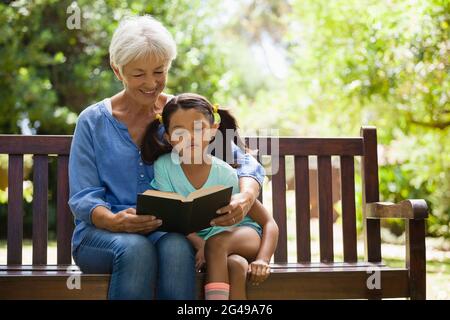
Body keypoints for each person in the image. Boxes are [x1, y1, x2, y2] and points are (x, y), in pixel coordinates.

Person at [68, 15, 265, 300]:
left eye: (159, 71)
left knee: (175, 247)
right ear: (117, 70)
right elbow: (84, 197)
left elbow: (245, 161)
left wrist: (245, 197)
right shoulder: (93, 121)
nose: (151, 83)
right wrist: (114, 221)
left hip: (165, 233)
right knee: (136, 249)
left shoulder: (179, 114)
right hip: (101, 235)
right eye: (138, 74)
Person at [142, 93, 278, 300]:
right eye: (180, 131)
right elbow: (173, 215)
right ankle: (237, 271)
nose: (190, 137)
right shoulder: (164, 167)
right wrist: (199, 243)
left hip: (245, 236)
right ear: (168, 137)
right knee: (235, 264)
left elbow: (268, 222)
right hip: (215, 247)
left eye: (198, 129)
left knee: (216, 244)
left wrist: (263, 260)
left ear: (213, 131)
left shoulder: (225, 173)